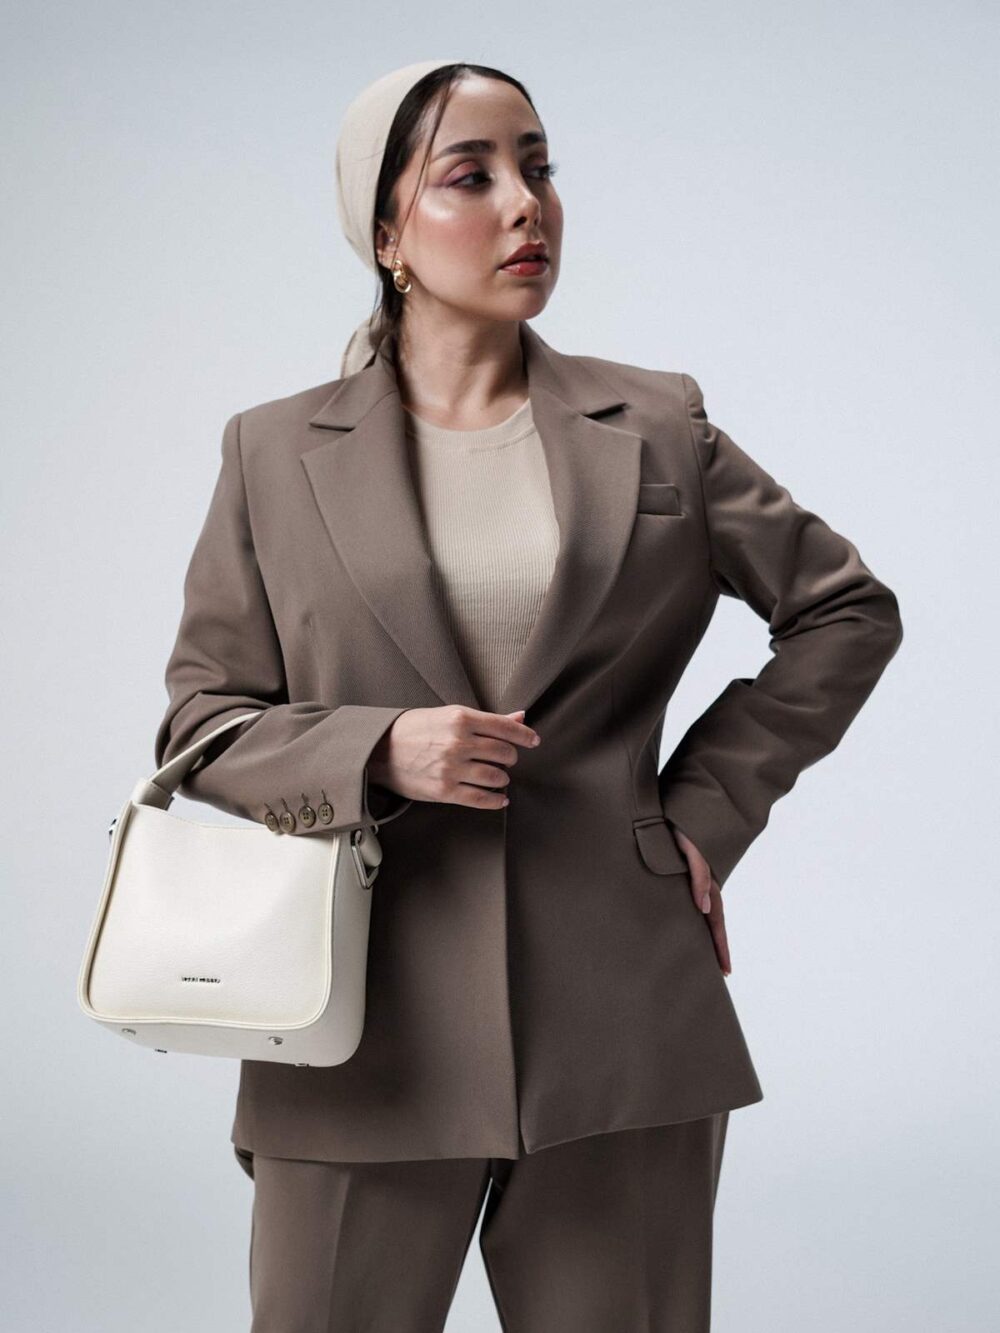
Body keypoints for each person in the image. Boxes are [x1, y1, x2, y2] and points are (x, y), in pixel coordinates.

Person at [154, 59, 904, 1332]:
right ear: (386, 235)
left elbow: (844, 610)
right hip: (359, 1022)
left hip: (619, 1012)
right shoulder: (273, 451)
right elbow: (202, 723)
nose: (525, 204)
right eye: (472, 175)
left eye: (539, 167)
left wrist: (703, 813)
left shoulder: (657, 426)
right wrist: (376, 750)